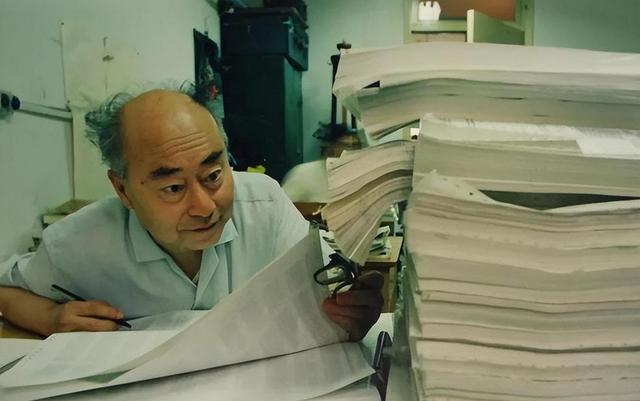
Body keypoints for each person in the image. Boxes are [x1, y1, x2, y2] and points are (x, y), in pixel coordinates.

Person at [0, 84, 383, 340]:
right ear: (123, 190)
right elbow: (5, 291)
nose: (205, 207)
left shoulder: (264, 206)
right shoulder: (81, 241)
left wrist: (354, 313)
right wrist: (49, 318)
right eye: (173, 188)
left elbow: (328, 295)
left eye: (213, 175)